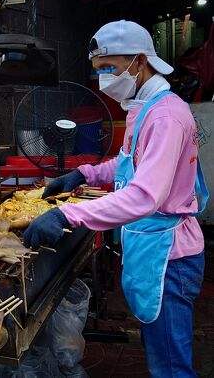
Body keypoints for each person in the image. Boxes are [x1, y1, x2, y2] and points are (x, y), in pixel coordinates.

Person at [24, 20, 208, 378]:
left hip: (169, 256)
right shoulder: (145, 107)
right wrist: (83, 175)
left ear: (139, 62)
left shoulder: (166, 117)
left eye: (109, 67)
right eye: (98, 71)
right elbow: (127, 166)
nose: (103, 78)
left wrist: (68, 215)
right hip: (151, 247)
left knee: (170, 367)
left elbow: (144, 196)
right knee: (161, 354)